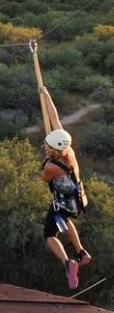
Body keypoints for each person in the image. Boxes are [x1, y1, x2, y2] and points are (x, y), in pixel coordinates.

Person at [39, 86, 91, 290]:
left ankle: (68, 263)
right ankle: (81, 252)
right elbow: (54, 118)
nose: (45, 147)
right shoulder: (66, 148)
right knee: (66, 221)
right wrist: (45, 94)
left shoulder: (52, 166)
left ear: (55, 149)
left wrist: (45, 163)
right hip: (77, 199)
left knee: (50, 236)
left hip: (62, 202)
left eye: (47, 147)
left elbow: (45, 179)